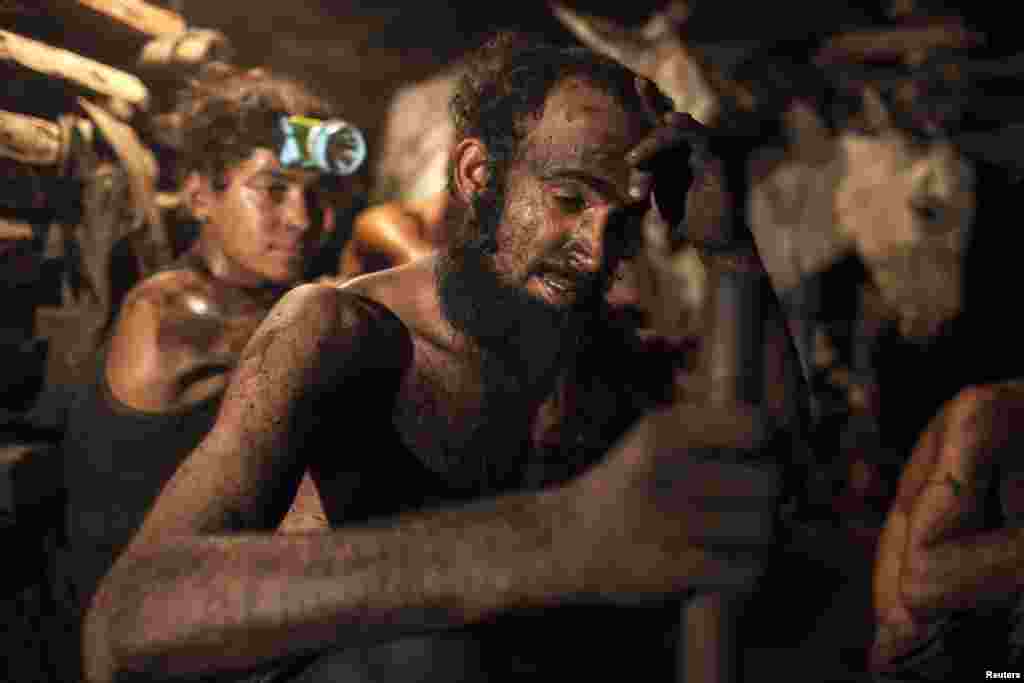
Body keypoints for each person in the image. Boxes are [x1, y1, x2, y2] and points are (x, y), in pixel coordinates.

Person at [83, 36, 777, 683]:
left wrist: (731, 255)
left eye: (622, 219)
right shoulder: (330, 329)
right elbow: (126, 618)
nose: (598, 251)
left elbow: (755, 495)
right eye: (567, 200)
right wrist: (554, 539)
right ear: (478, 173)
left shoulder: (594, 354)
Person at [60, 63, 359, 612]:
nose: (302, 218)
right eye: (273, 189)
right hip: (137, 629)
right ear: (200, 197)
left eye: (316, 195)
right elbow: (312, 336)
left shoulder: (268, 301)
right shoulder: (170, 311)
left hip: (200, 601)